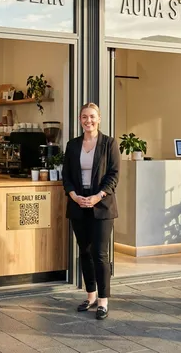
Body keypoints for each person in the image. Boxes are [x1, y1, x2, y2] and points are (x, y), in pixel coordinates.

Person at [61, 103, 120, 320]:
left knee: (99, 253)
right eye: (84, 117)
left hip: (101, 204)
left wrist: (98, 196)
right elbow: (66, 175)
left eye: (92, 117)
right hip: (78, 203)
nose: (89, 121)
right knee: (84, 252)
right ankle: (91, 295)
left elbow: (113, 174)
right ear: (80, 120)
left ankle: (103, 300)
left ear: (99, 119)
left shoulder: (109, 143)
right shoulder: (73, 145)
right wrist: (74, 196)